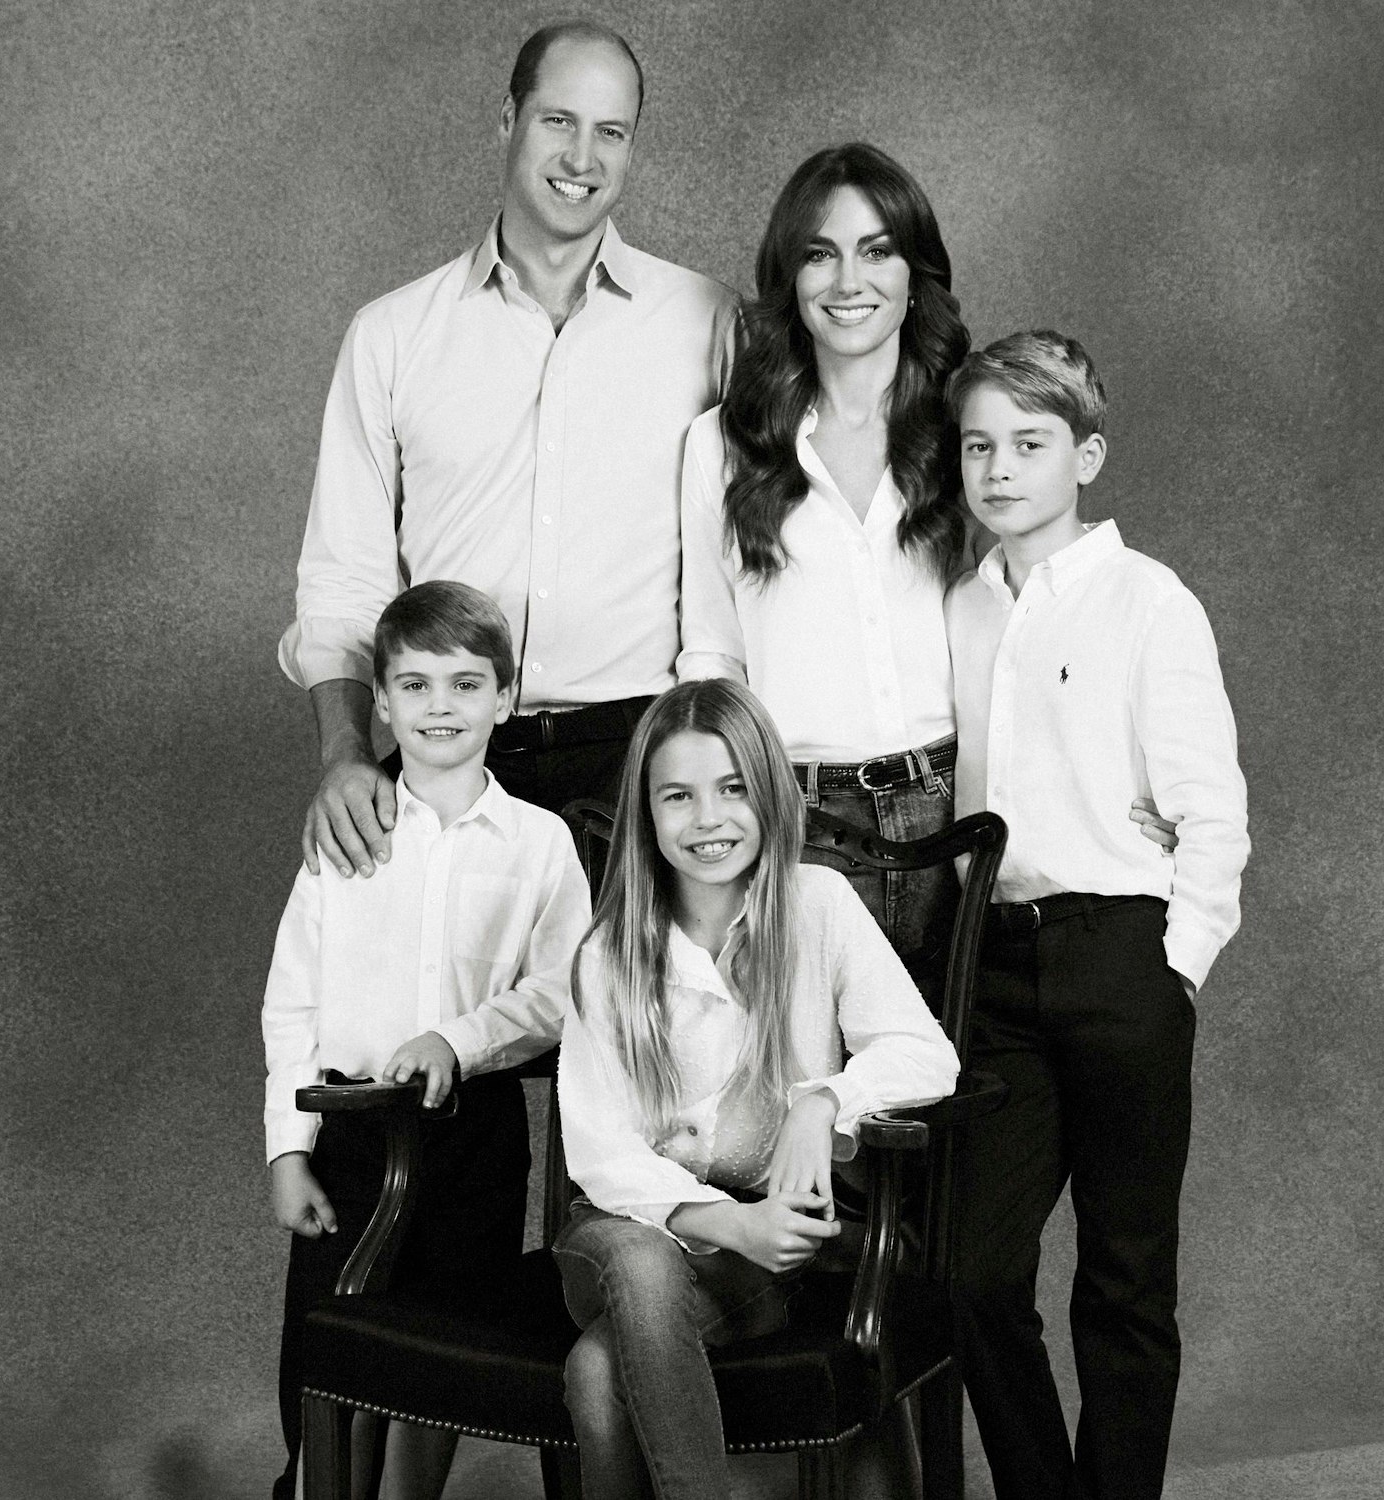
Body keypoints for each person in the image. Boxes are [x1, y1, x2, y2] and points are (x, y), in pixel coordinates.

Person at [678, 144, 1175, 960]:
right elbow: (711, 652)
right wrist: (723, 806)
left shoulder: (965, 434)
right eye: (819, 254)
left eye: (877, 251)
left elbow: (1046, 604)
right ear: (788, 278)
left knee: (956, 1074)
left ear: (916, 277)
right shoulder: (723, 445)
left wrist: (1132, 766)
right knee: (811, 1080)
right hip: (793, 817)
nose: (848, 281)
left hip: (959, 810)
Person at [284, 20, 735, 878]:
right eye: (558, 121)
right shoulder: (391, 336)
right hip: (449, 752)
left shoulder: (708, 324)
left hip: (639, 764)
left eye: (612, 132)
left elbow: (758, 555)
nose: (583, 157)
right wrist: (344, 753)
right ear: (507, 121)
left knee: (632, 1015)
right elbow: (343, 576)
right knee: (429, 1014)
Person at [941, 332, 1251, 1500]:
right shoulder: (961, 606)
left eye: (1028, 443)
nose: (999, 469)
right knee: (972, 1274)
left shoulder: (1145, 600)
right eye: (977, 445)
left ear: (1086, 455)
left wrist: (1171, 970)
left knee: (1121, 1282)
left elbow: (1210, 812)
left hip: (1120, 953)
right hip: (996, 972)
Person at [553, 677, 959, 1500]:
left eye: (732, 789)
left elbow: (926, 1054)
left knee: (598, 1377)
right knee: (641, 1264)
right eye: (679, 796)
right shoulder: (609, 953)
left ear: (769, 794)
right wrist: (728, 1222)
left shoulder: (819, 906)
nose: (708, 820)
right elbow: (601, 1152)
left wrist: (824, 1100)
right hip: (618, 1230)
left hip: (762, 1253)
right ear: (647, 814)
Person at [261, 580, 593, 1500]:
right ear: (380, 701)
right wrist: (289, 1151)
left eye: (464, 683)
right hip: (353, 1133)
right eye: (414, 686)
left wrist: (461, 1038)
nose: (440, 707)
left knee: (445, 1361)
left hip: (474, 1136)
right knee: (328, 1357)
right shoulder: (346, 834)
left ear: (506, 697)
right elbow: (292, 1006)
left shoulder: (539, 843)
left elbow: (565, 993)